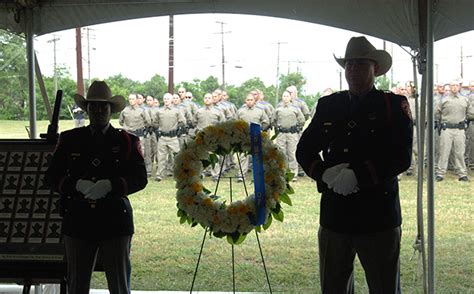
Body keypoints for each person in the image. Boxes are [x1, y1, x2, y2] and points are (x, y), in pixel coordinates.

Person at [296, 36, 413, 293]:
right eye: (348, 64)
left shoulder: (392, 106)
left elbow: (401, 156)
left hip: (377, 215)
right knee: (333, 286)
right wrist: (324, 174)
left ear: (376, 69)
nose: (353, 70)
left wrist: (359, 176)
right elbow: (304, 149)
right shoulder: (329, 105)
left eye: (360, 64)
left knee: (384, 287)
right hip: (335, 214)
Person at [46, 81, 148, 293]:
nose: (99, 110)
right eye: (93, 106)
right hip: (79, 219)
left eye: (104, 106)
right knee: (77, 284)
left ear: (111, 110)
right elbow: (51, 176)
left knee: (119, 285)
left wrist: (111, 185)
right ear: (87, 109)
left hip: (115, 220)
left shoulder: (127, 141)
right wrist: (76, 185)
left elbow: (139, 178)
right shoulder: (70, 139)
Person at [435, 79, 474, 181]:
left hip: (459, 129)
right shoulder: (444, 100)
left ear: (459, 87)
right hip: (446, 128)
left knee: (460, 152)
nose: (454, 87)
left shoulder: (465, 100)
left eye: (456, 85)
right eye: (452, 85)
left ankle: (462, 174)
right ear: (450, 87)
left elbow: (470, 113)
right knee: (444, 151)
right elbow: (437, 113)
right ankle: (440, 173)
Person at [273, 90, 305, 181]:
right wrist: (277, 128)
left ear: (290, 98)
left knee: (292, 153)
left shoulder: (295, 109)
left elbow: (302, 120)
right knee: (281, 153)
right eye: (284, 96)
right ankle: (282, 172)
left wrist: (297, 128)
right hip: (281, 134)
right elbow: (273, 120)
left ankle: (293, 174)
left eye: (287, 96)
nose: (285, 98)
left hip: (292, 134)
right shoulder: (278, 109)